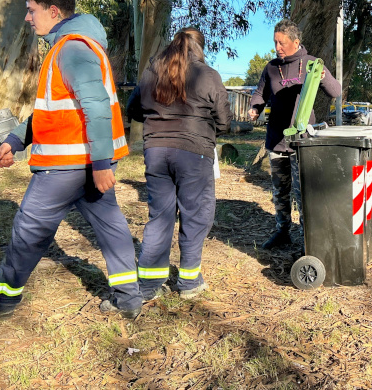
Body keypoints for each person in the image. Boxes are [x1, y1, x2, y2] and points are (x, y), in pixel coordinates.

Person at [0, 0, 142, 328]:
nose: (27, 17)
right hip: (84, 162)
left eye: (32, 10)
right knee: (111, 227)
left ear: (53, 12)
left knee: (28, 232)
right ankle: (129, 298)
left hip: (66, 167)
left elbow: (97, 108)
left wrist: (101, 164)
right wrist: (15, 139)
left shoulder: (71, 49)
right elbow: (53, 111)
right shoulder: (75, 47)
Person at [127, 28, 231, 300]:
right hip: (193, 153)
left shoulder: (152, 72)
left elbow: (133, 110)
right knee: (196, 215)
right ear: (200, 48)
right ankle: (188, 282)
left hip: (156, 151)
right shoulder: (208, 75)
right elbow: (224, 121)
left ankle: (149, 285)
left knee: (160, 216)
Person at [248, 19, 342, 250]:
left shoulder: (311, 64)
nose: (277, 47)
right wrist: (254, 107)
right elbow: (260, 93)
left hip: (302, 143)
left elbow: (336, 91)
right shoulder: (271, 67)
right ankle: (282, 231)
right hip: (277, 140)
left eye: (281, 43)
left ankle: (309, 237)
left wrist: (322, 77)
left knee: (303, 193)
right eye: (275, 43)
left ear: (296, 42)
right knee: (280, 191)